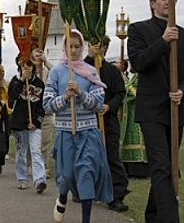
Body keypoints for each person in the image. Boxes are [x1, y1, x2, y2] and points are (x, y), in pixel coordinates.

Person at [127, 0, 184, 223]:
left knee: (169, 167)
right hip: (151, 110)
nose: (168, 2)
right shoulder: (139, 30)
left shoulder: (183, 34)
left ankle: (153, 216)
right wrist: (162, 41)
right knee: (161, 165)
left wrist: (182, 90)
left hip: (176, 108)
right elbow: (138, 62)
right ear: (152, 3)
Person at [43, 29, 112, 223]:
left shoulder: (90, 72)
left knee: (86, 173)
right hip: (66, 132)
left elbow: (99, 104)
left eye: (77, 46)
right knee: (65, 176)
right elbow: (47, 104)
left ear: (82, 47)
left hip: (88, 132)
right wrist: (65, 97)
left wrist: (81, 93)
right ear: (64, 47)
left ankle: (86, 219)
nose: (73, 50)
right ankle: (63, 195)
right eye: (69, 46)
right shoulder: (56, 72)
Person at [84, 35, 129, 211]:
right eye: (94, 45)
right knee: (88, 156)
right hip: (88, 119)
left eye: (101, 46)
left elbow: (120, 93)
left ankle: (116, 196)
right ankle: (85, 190)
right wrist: (89, 57)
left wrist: (109, 106)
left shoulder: (112, 71)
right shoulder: (85, 67)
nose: (98, 49)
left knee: (112, 155)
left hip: (108, 119)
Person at [8, 56, 47, 193]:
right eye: (24, 66)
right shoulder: (14, 81)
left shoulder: (39, 84)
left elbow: (42, 105)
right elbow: (11, 100)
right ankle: (22, 178)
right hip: (19, 124)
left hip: (33, 124)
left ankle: (39, 180)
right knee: (21, 152)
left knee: (36, 151)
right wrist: (21, 82)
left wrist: (36, 121)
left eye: (29, 66)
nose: (27, 69)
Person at [119, 66, 149, 178]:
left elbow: (136, 93)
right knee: (127, 138)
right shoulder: (130, 77)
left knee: (138, 138)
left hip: (138, 111)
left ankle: (140, 169)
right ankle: (128, 168)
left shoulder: (141, 77)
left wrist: (125, 83)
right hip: (128, 114)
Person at [33, 49, 55, 179]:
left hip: (46, 112)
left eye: (40, 55)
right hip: (34, 113)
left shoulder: (48, 71)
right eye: (35, 56)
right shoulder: (28, 73)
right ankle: (33, 165)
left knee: (45, 141)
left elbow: (58, 72)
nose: (38, 58)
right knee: (34, 142)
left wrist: (46, 62)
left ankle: (45, 166)